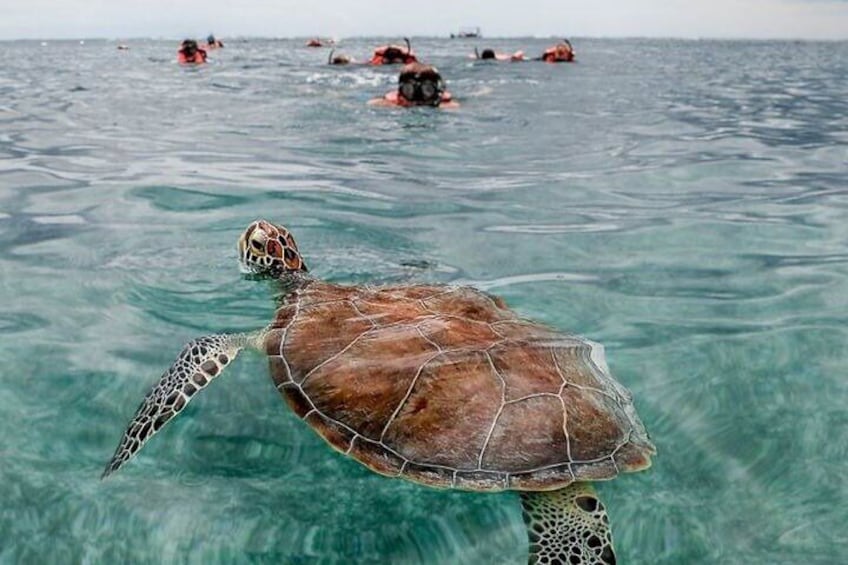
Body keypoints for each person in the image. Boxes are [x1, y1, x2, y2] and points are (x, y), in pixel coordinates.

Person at [369, 63, 459, 109]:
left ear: (436, 91)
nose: (418, 97)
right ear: (400, 91)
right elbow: (371, 103)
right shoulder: (390, 103)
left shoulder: (447, 105)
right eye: (409, 90)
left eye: (427, 90)